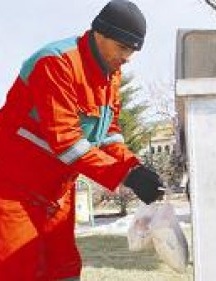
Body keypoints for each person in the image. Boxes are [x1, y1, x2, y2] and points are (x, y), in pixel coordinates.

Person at [0, 0, 164, 280]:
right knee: (20, 269)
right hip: (14, 191)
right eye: (124, 48)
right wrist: (125, 174)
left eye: (133, 51)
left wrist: (136, 168)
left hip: (57, 194)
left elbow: (108, 133)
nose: (128, 58)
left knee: (65, 271)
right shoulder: (55, 63)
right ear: (100, 33)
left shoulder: (110, 73)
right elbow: (66, 143)